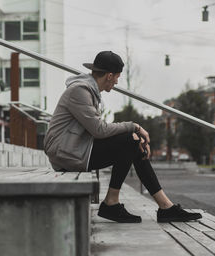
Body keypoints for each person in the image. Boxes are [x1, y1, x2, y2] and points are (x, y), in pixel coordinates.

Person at [43, 51, 202, 223]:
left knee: (132, 141)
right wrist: (135, 126)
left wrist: (135, 136)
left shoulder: (88, 91)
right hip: (65, 154)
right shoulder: (79, 91)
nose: (117, 81)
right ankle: (122, 204)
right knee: (129, 140)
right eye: (117, 77)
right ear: (109, 76)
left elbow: (97, 130)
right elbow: (99, 130)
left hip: (75, 149)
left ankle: (164, 206)